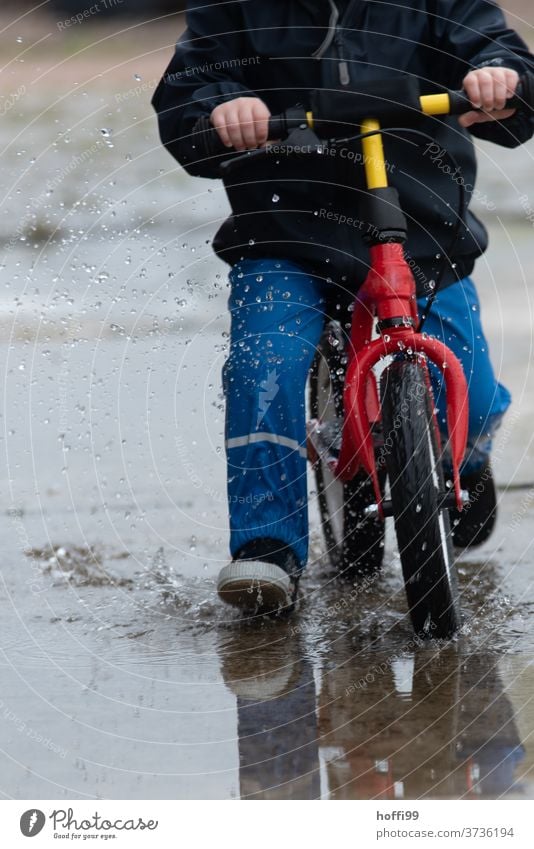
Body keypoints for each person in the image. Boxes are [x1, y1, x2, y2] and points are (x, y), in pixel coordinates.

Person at [153, 1, 534, 613]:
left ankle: (469, 456)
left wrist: (499, 78)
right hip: (285, 231)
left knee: (475, 395)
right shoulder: (235, 13)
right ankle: (267, 549)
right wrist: (221, 107)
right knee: (264, 366)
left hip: (420, 229)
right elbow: (189, 89)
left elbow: (499, 58)